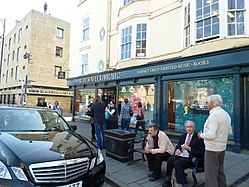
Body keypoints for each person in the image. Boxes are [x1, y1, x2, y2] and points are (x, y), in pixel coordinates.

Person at [198, 94, 232, 187]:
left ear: (212, 103)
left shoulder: (214, 115)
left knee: (211, 174)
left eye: (207, 102)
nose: (206, 104)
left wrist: (201, 135)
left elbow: (211, 135)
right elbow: (230, 132)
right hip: (222, 147)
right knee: (220, 171)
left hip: (212, 148)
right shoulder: (226, 114)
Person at [162, 120, 205, 187]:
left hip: (191, 157)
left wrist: (190, 149)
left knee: (177, 163)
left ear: (194, 128)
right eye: (187, 127)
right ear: (185, 128)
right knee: (170, 160)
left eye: (191, 127)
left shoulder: (198, 138)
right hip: (181, 155)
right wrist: (178, 150)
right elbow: (178, 146)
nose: (189, 129)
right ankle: (168, 178)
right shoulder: (183, 136)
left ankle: (183, 184)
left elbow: (201, 153)